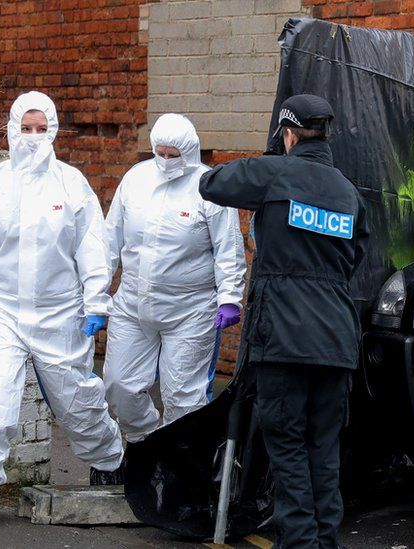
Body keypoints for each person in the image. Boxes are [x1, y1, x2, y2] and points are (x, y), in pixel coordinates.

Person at [0, 91, 123, 529]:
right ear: (10, 130)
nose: (31, 138)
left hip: (60, 314)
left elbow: (91, 248)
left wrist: (96, 300)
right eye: (24, 129)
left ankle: (109, 461)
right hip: (5, 313)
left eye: (40, 129)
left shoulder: (71, 183)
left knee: (78, 402)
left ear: (54, 131)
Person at [199, 94, 369, 548]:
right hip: (336, 338)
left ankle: (299, 543)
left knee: (288, 444)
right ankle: (324, 540)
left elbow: (212, 184)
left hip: (285, 337)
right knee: (323, 446)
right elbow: (358, 256)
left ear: (288, 134)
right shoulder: (348, 192)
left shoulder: (275, 173)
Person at [101, 113, 246, 450]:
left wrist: (229, 297)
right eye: (160, 154)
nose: (166, 161)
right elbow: (110, 240)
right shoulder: (136, 180)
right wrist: (96, 289)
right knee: (119, 385)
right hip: (133, 302)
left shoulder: (208, 187)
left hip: (190, 309)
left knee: (183, 395)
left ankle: (178, 466)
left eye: (173, 155)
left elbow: (228, 248)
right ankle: (145, 445)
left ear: (189, 152)